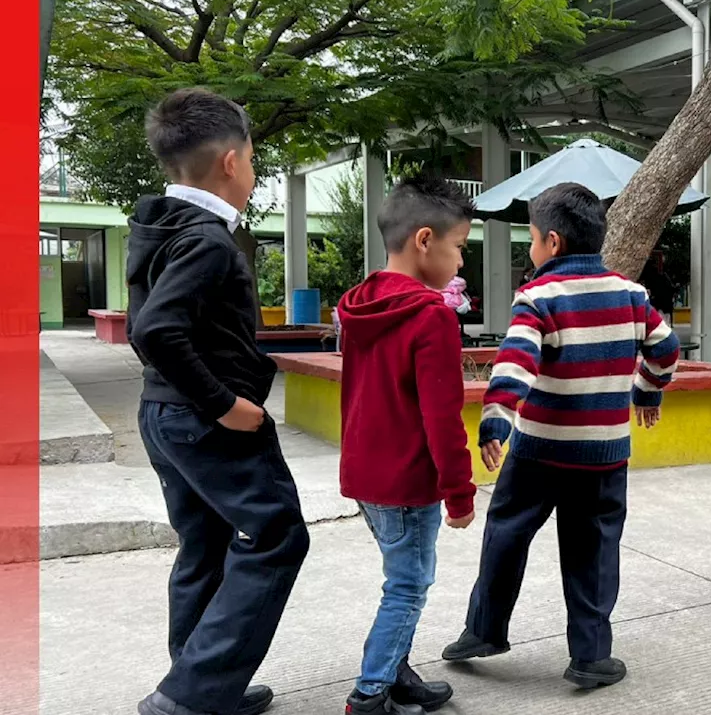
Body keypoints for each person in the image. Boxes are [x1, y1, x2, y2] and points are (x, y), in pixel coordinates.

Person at [442, 183, 680, 689]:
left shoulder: (538, 297)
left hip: (539, 451)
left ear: (552, 242)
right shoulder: (632, 295)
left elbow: (516, 363)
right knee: (594, 550)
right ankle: (591, 656)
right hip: (605, 454)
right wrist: (647, 392)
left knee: (506, 532)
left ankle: (484, 630)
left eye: (530, 239)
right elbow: (666, 351)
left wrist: (496, 419)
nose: (530, 249)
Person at [127, 88, 309, 715]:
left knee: (204, 543)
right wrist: (221, 403)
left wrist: (179, 395)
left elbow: (139, 327)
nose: (254, 174)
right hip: (208, 422)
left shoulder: (160, 227)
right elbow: (155, 330)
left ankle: (205, 685)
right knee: (277, 533)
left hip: (165, 417)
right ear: (232, 162)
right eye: (255, 161)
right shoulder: (206, 239)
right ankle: (191, 696)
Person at [336, 176, 479, 714]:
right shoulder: (431, 316)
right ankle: (370, 695)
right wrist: (459, 494)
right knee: (409, 585)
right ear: (425, 240)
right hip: (406, 479)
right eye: (459, 248)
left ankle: (397, 674)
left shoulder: (362, 302)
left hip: (365, 474)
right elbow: (442, 417)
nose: (461, 263)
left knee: (401, 576)